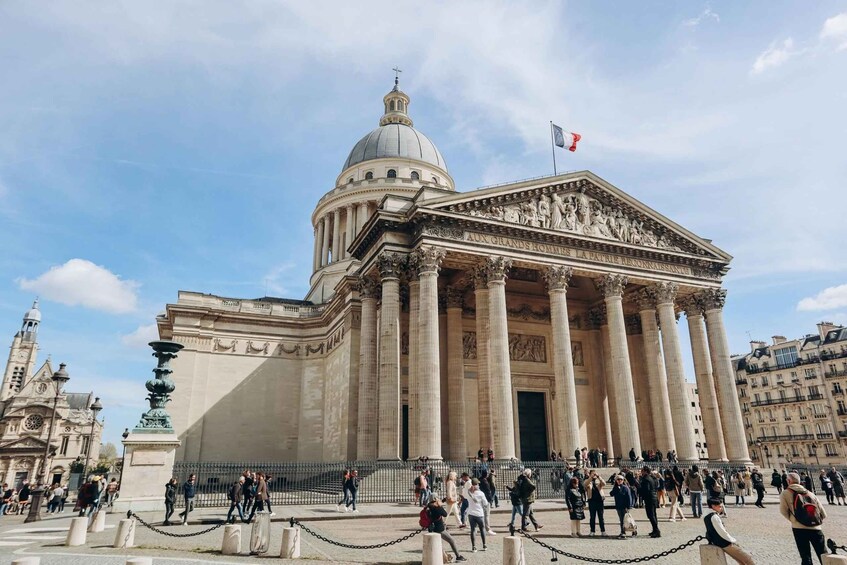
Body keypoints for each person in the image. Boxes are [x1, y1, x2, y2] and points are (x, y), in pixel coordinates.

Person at [780, 472, 827, 565]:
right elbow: (823, 513)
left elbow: (783, 511)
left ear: (789, 481)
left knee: (805, 556)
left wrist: (794, 520)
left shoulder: (785, 493)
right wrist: (814, 521)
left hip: (799, 528)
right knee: (823, 554)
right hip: (816, 529)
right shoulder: (810, 493)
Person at [704, 498, 755, 565]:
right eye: (719, 506)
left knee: (741, 561)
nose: (721, 508)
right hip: (726, 543)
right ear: (713, 506)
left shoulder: (707, 516)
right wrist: (732, 540)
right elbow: (721, 532)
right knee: (747, 559)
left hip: (719, 542)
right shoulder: (714, 517)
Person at [426, 496, 467, 561]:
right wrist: (440, 506)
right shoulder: (437, 508)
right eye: (437, 498)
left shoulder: (428, 507)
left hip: (432, 528)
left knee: (438, 544)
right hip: (439, 529)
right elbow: (445, 514)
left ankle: (443, 557)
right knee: (452, 540)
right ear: (435, 500)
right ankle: (458, 556)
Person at [466, 479, 488, 553]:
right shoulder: (481, 493)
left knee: (473, 530)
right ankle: (484, 544)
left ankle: (474, 546)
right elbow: (485, 503)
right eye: (478, 484)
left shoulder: (468, 492)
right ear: (476, 485)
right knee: (482, 529)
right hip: (479, 513)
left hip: (471, 513)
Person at [639, 466, 660, 538]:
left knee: (651, 515)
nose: (641, 472)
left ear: (645, 471)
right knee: (654, 515)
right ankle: (655, 530)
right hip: (653, 497)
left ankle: (656, 531)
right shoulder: (651, 478)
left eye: (642, 470)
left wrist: (639, 490)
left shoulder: (646, 479)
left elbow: (646, 490)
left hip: (649, 499)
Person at [584, 469, 606, 536]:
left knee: (601, 517)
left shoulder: (598, 481)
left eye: (595, 473)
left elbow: (604, 484)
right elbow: (585, 484)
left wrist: (599, 477)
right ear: (590, 474)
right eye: (592, 473)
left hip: (600, 501)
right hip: (592, 501)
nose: (594, 475)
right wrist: (591, 478)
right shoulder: (588, 481)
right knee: (592, 517)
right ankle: (592, 531)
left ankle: (603, 531)